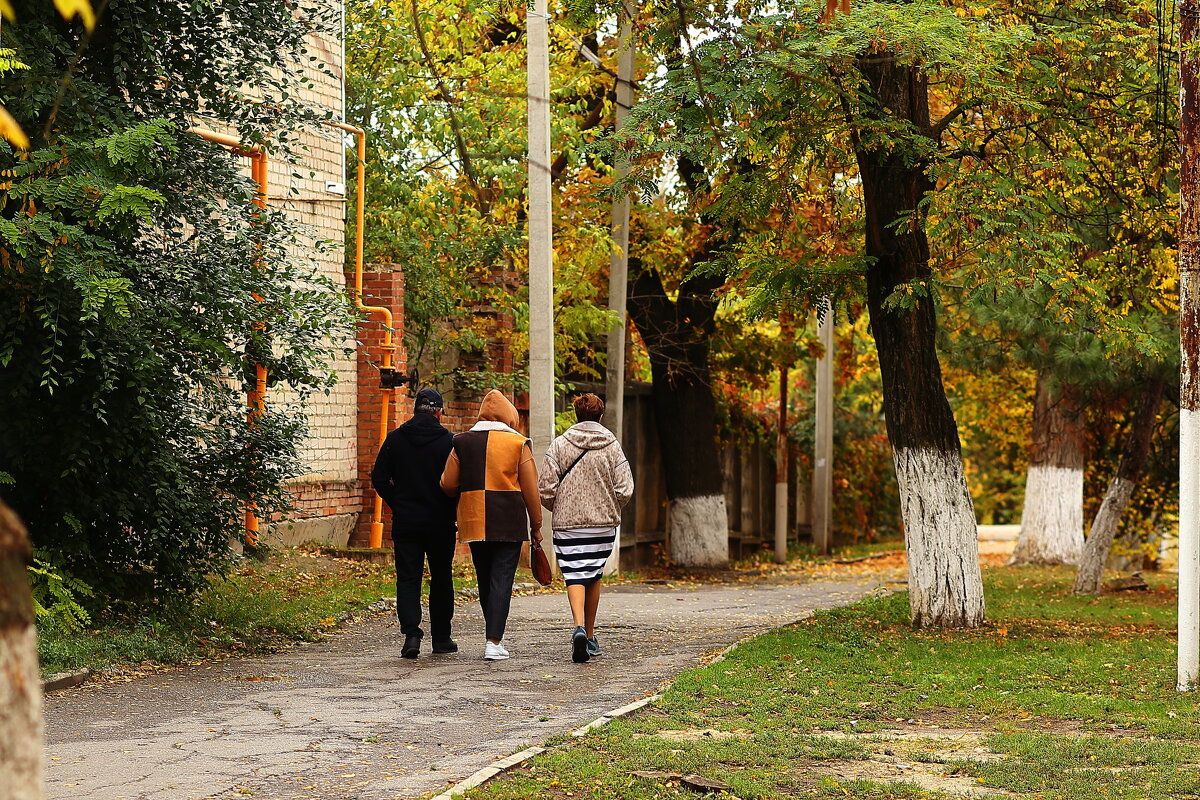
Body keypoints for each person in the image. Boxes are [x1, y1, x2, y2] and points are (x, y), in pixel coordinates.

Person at [439, 389, 543, 661]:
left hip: (474, 519)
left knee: (485, 578)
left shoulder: (461, 441)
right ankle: (493, 641)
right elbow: (531, 490)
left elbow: (448, 483)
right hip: (508, 519)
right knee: (502, 579)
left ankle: (492, 635)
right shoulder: (518, 443)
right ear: (510, 415)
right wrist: (537, 524)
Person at [539, 393, 633, 663]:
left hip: (568, 524)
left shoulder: (559, 445)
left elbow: (546, 488)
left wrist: (559, 506)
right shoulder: (612, 445)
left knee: (574, 575)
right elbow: (625, 488)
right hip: (602, 524)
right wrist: (610, 506)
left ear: (576, 415)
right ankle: (590, 637)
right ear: (600, 416)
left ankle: (578, 626)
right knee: (593, 574)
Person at [371, 387, 458, 659]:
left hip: (406, 522)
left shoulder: (396, 439)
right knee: (441, 577)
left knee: (408, 578)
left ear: (415, 409)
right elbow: (458, 483)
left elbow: (379, 478)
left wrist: (398, 502)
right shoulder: (449, 442)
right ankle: (442, 638)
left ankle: (412, 635)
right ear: (440, 412)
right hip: (440, 522)